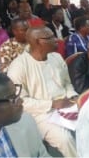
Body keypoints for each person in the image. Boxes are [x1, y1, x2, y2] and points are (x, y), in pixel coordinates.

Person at [7, 26, 78, 157]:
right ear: (37, 41)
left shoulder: (56, 57)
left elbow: (67, 83)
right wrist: (52, 104)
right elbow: (20, 102)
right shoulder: (18, 66)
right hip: (41, 114)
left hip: (66, 104)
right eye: (50, 38)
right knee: (65, 139)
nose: (56, 40)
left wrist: (73, 96)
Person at [0, 70, 50, 157]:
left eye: (16, 94)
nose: (20, 101)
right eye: (12, 99)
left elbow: (42, 155)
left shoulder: (26, 122)